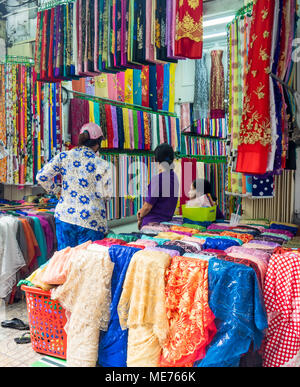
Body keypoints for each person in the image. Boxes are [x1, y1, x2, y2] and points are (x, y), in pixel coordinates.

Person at [37, 123, 113, 250]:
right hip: (92, 220)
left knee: (65, 260)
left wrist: (57, 191)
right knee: (87, 263)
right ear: (98, 143)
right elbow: (107, 195)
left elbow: (42, 177)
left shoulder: (64, 156)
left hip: (65, 216)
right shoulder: (103, 164)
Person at [137, 143, 179, 229]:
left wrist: (140, 215)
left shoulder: (158, 179)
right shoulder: (174, 177)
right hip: (167, 222)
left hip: (153, 223)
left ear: (157, 159)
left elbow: (148, 207)